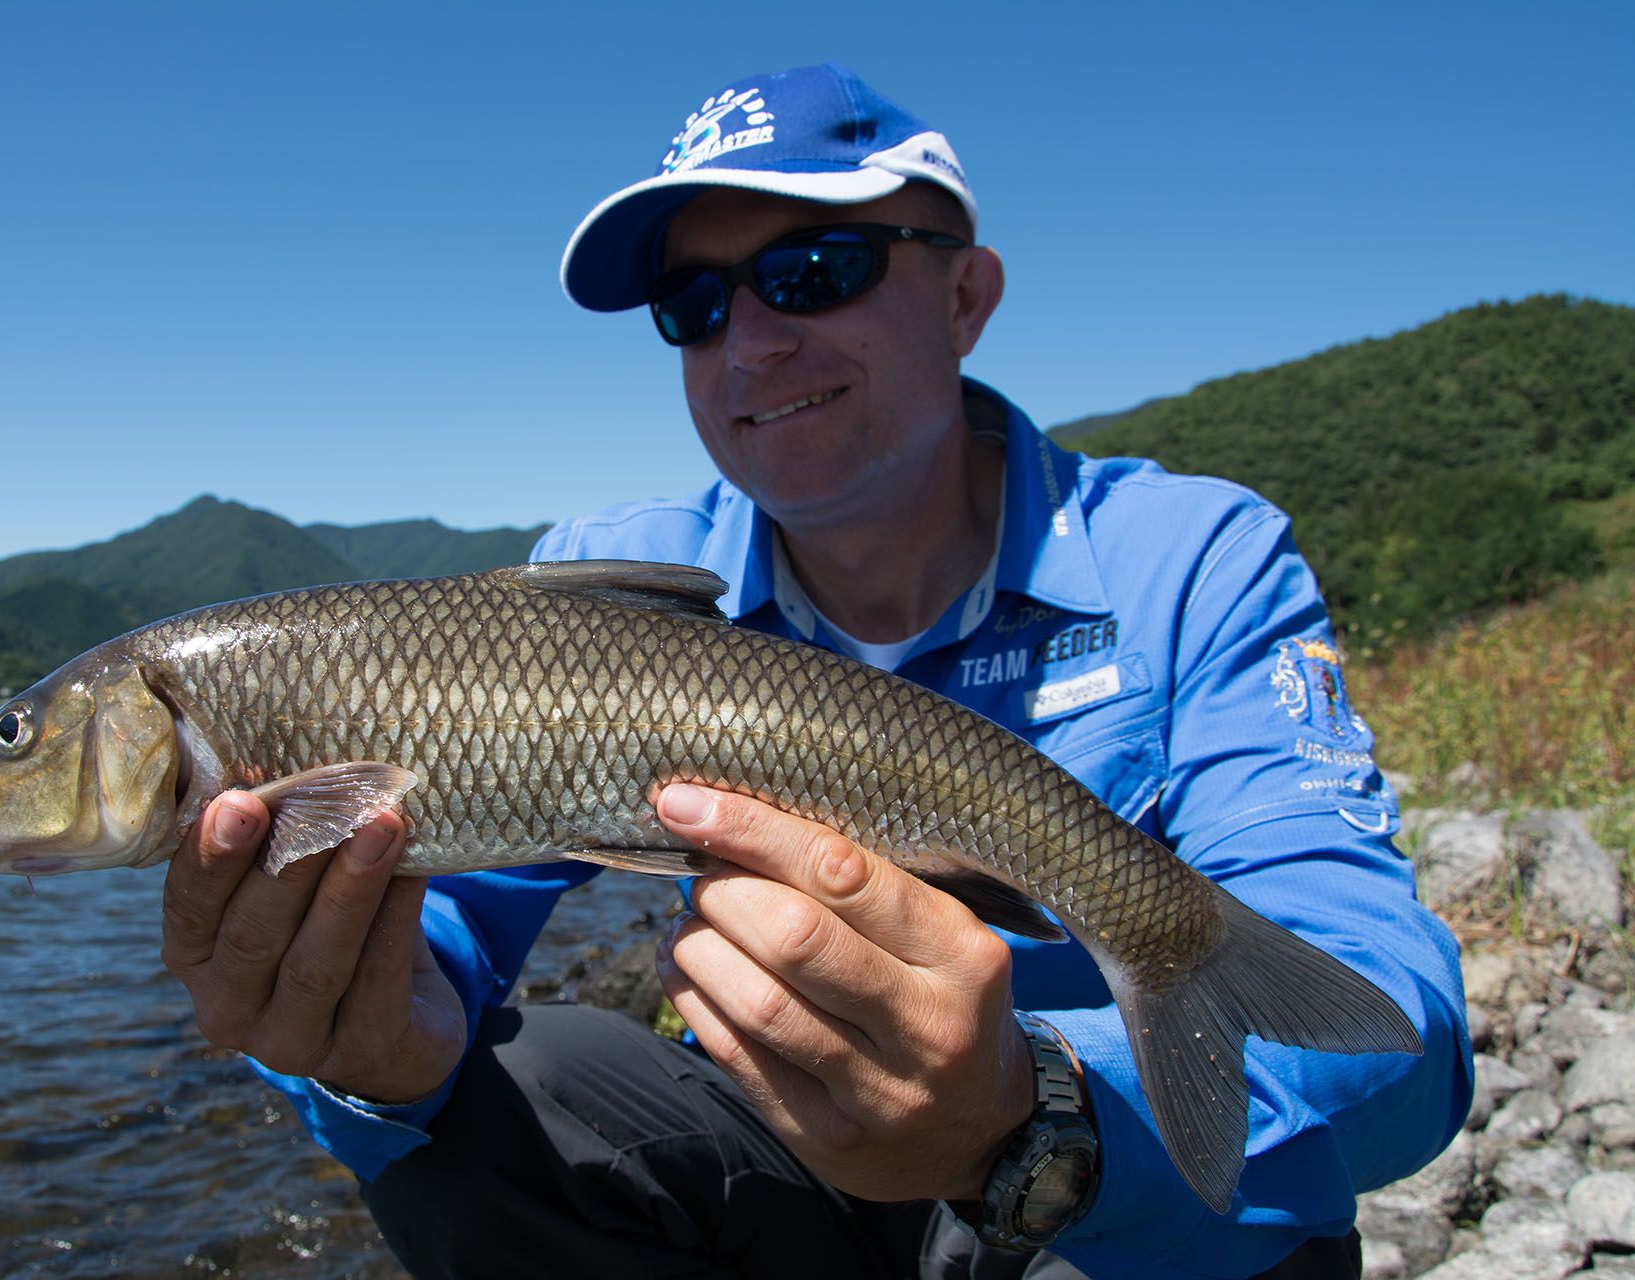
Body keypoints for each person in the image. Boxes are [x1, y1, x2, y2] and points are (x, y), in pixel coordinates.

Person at [159, 63, 1472, 1278]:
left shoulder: (1191, 556)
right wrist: (371, 1043)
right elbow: (444, 913)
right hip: (800, 1160)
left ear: (966, 296)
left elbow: (1398, 1039)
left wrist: (1034, 1113)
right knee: (512, 1089)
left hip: (1110, 1209)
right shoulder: (606, 583)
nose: (748, 345)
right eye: (694, 305)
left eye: (814, 271)